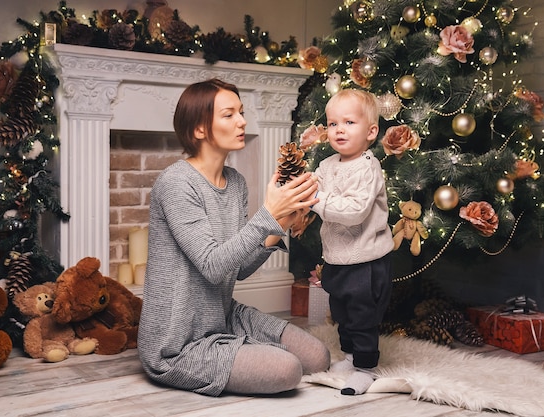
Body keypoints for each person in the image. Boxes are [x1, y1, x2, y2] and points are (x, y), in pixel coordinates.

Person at [137, 78, 330, 397]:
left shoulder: (236, 183)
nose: (242, 121)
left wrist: (281, 222)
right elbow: (213, 266)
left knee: (317, 357)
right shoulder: (175, 184)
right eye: (229, 115)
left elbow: (236, 269)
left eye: (241, 112)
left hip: (223, 314)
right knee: (287, 370)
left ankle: (240, 348)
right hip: (178, 342)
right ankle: (238, 353)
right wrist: (268, 213)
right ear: (200, 129)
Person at [309, 88, 394, 395]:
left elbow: (355, 211)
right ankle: (349, 356)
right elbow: (312, 186)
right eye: (332, 124)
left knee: (363, 315)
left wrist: (315, 198)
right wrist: (297, 184)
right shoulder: (328, 165)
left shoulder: (368, 167)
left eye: (349, 122)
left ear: (371, 132)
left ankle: (366, 367)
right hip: (337, 257)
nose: (339, 129)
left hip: (366, 261)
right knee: (342, 312)